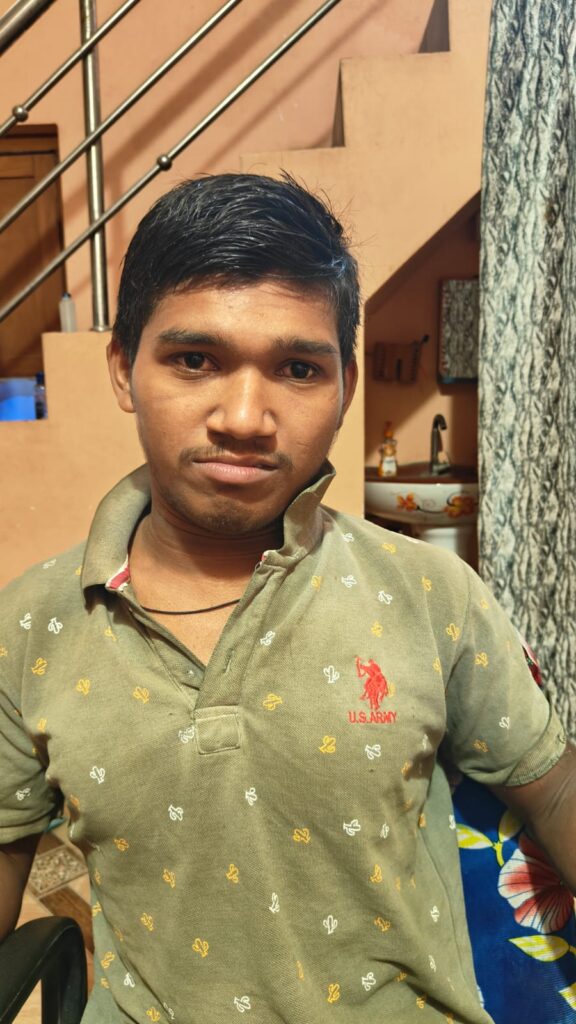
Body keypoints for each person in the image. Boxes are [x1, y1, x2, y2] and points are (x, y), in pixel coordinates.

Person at [0, 173, 573, 1024]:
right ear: (123, 369)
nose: (244, 416)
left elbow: (551, 791)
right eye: (195, 360)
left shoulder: (430, 594)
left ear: (344, 387)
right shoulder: (31, 624)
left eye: (297, 368)